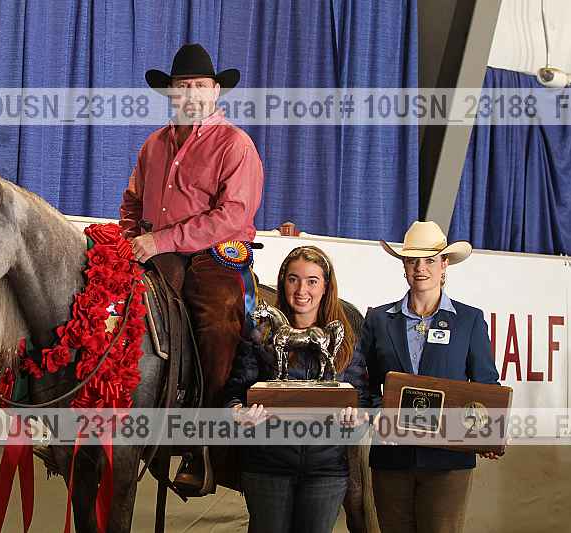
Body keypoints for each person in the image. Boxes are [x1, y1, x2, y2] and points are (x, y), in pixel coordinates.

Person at [119, 43, 264, 493]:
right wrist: (130, 239)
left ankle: (204, 440)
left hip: (214, 252)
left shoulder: (235, 145)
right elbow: (132, 201)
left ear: (216, 91)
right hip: (156, 249)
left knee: (218, 317)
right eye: (183, 86)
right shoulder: (153, 146)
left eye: (201, 85)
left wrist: (159, 240)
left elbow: (232, 216)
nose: (192, 94)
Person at [357, 220, 501, 533]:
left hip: (448, 460)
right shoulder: (378, 319)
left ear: (444, 264)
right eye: (412, 260)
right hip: (391, 457)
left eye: (430, 260)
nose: (420, 268)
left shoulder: (469, 320)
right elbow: (360, 380)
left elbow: (486, 385)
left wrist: (488, 432)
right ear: (404, 266)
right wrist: (377, 414)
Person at [222, 246, 369, 533]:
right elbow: (234, 393)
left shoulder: (347, 342)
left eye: (312, 281)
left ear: (326, 286)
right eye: (293, 279)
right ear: (283, 283)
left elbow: (360, 399)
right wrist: (238, 413)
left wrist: (358, 418)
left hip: (326, 469)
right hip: (267, 467)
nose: (302, 290)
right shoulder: (259, 337)